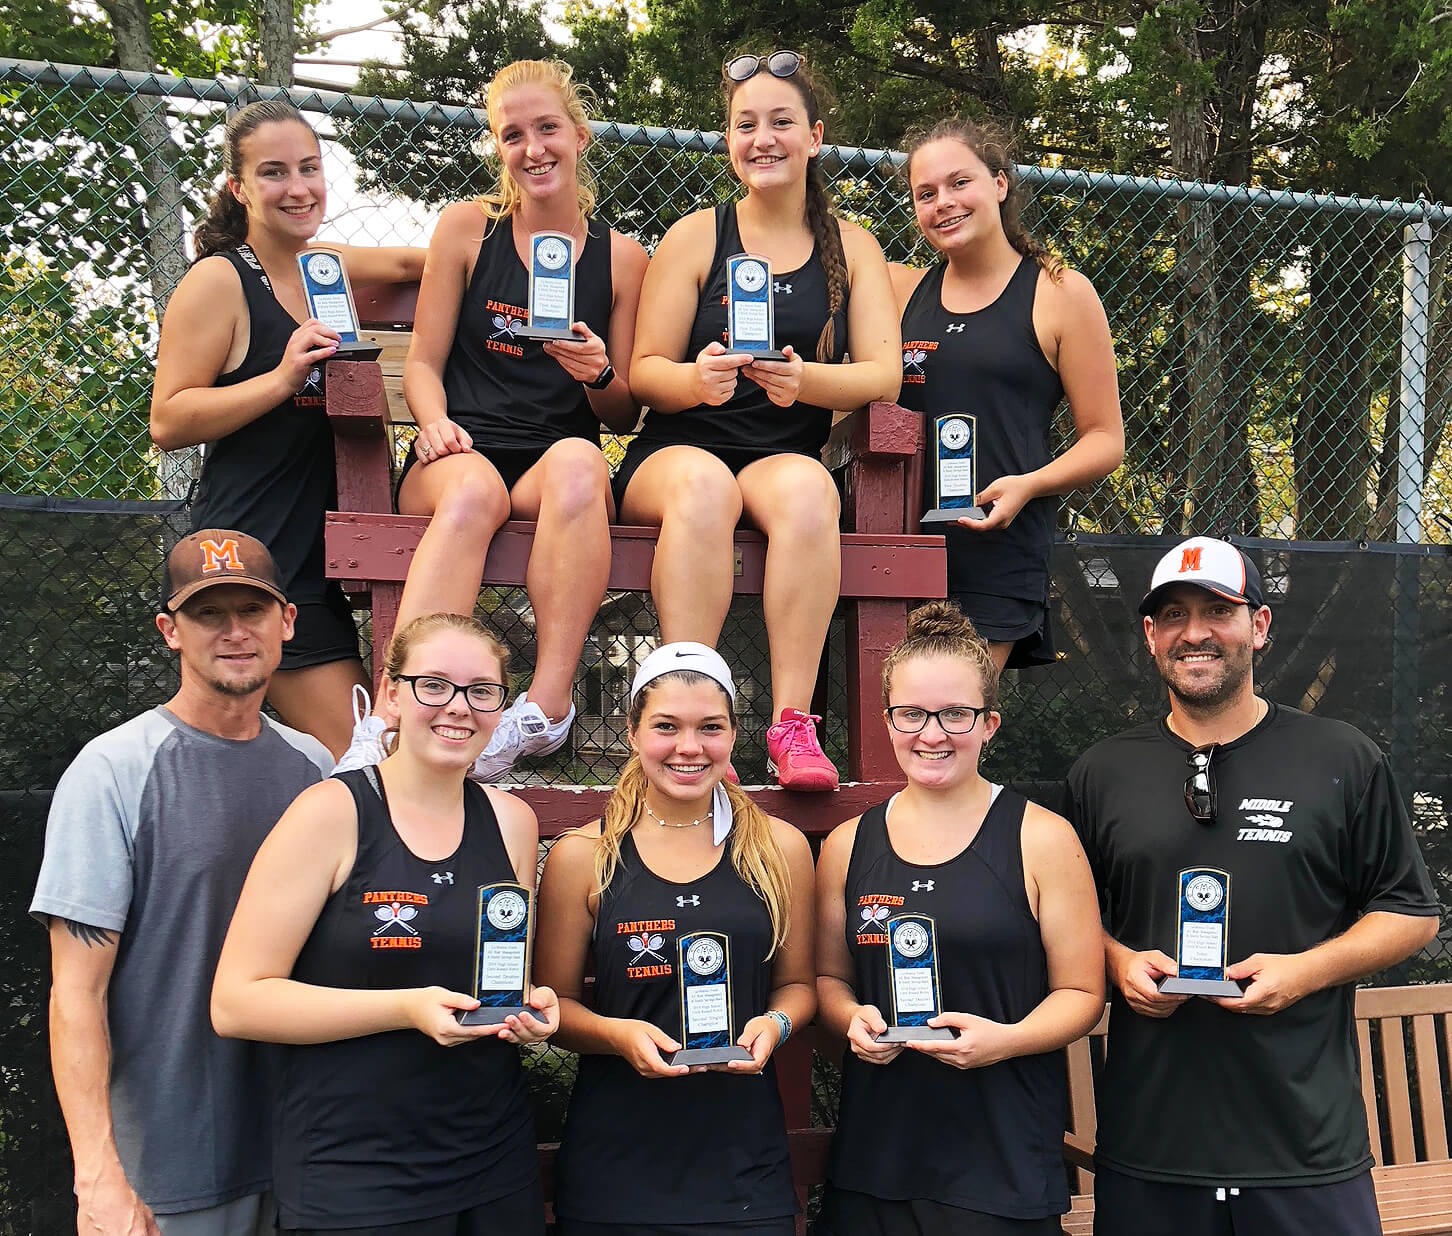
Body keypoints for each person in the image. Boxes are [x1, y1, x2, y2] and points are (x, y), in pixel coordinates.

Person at [1067, 535, 1439, 1236]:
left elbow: (1412, 913)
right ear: (1150, 636)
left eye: (1219, 610)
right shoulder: (1101, 772)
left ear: (1259, 627)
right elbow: (1066, 920)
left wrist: (1304, 971)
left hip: (1304, 1151)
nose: (1195, 632)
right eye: (1173, 615)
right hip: (1152, 1152)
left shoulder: (1343, 757)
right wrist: (1118, 962)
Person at [336, 59, 649, 782]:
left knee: (580, 459)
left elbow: (624, 412)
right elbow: (421, 362)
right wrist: (435, 421)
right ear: (498, 148)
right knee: (476, 490)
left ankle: (543, 709)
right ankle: (391, 719)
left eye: (547, 129)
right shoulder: (469, 229)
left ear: (580, 135)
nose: (533, 148)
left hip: (550, 467)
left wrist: (598, 371)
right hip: (459, 451)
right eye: (513, 135)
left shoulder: (623, 259)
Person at [211, 611, 558, 1234]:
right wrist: (405, 1008)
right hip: (354, 1171)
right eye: (434, 685)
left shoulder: (513, 822)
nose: (458, 707)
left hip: (493, 1157)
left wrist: (530, 1007)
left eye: (481, 691)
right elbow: (238, 1002)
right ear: (392, 693)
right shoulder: (331, 812)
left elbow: (493, 975)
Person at [31, 529, 333, 1235]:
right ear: (171, 630)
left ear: (286, 621)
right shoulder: (113, 771)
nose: (234, 632)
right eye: (208, 614)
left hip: (307, 1153)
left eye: (252, 611)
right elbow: (76, 994)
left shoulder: (315, 767)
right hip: (172, 1168)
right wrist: (97, 1174)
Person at [623, 51, 901, 792]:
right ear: (728, 140)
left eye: (781, 122)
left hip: (782, 451)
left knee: (813, 491)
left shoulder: (854, 246)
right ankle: (684, 707)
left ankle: (791, 726)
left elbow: (885, 371)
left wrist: (806, 380)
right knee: (706, 487)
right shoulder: (696, 235)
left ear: (814, 137)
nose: (763, 138)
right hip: (679, 450)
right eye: (745, 124)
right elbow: (644, 369)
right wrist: (694, 378)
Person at [814, 600, 1104, 1234]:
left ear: (990, 723)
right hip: (874, 1164)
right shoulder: (847, 845)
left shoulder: (1042, 839)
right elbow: (830, 982)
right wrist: (849, 1019)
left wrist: (1004, 1041)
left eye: (956, 714)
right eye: (912, 713)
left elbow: (1082, 992)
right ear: (888, 720)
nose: (932, 733)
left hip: (998, 1167)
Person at [150, 100, 425, 759]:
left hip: (324, 564)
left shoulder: (321, 264)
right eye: (274, 173)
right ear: (238, 189)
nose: (298, 188)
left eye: (310, 168)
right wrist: (280, 378)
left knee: (349, 763)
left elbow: (414, 266)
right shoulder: (220, 282)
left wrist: (514, 236)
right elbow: (168, 420)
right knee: (375, 758)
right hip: (256, 561)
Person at [534, 642, 816, 1234]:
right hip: (615, 1165)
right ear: (634, 732)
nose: (689, 748)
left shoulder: (778, 848)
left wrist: (776, 1025)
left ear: (734, 735)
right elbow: (553, 1006)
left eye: (710, 728)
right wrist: (616, 1035)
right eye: (667, 726)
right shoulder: (584, 855)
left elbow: (797, 985)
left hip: (744, 1167)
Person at [890, 117, 1123, 672]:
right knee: (891, 726)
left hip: (997, 548)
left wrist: (1027, 485)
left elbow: (1106, 439)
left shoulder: (1060, 291)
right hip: (895, 544)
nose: (943, 203)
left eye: (959, 183)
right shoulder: (900, 290)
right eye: (926, 194)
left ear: (1000, 183)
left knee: (949, 726)